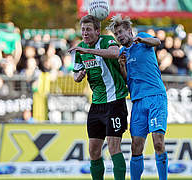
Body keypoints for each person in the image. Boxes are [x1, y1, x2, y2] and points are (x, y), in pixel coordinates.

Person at [107, 14, 168, 180]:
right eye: (116, 34)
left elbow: (157, 42)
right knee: (136, 146)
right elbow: (127, 80)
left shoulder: (143, 39)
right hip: (137, 101)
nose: (119, 36)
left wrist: (141, 40)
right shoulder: (123, 53)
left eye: (121, 32)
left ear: (129, 30)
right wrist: (121, 66)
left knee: (158, 142)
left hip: (155, 96)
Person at [68, 15, 128, 180]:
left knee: (113, 146)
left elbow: (116, 53)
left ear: (97, 31)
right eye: (83, 30)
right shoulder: (80, 49)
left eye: (88, 29)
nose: (85, 33)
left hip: (115, 102)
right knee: (94, 150)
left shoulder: (106, 41)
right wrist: (79, 76)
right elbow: (76, 75)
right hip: (97, 104)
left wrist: (88, 51)